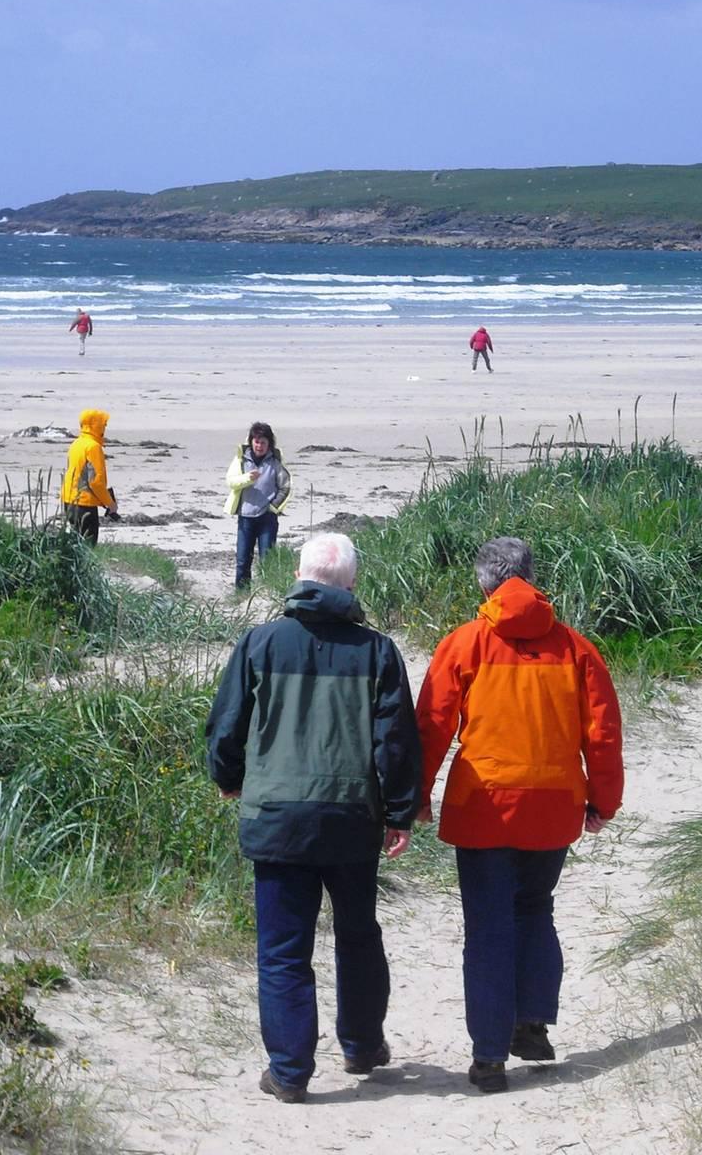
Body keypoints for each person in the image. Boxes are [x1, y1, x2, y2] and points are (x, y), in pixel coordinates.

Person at [205, 533, 422, 1104]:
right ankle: (361, 1045)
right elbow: (395, 742)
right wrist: (400, 811)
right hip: (352, 820)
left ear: (300, 578)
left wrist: (228, 778)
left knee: (283, 950)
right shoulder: (376, 651)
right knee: (358, 935)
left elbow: (226, 725)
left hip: (278, 818)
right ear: (350, 586)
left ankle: (290, 1071)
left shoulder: (260, 643)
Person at [415, 537, 624, 1094]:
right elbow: (602, 735)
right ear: (533, 581)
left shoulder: (464, 643)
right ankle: (530, 1026)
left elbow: (432, 727)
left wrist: (413, 796)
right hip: (553, 806)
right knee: (535, 909)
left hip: (484, 807)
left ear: (484, 585)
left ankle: (489, 1059)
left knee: (488, 929)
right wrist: (604, 800)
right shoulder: (577, 649)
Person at [225, 422, 294, 590]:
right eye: (256, 441)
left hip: (267, 518)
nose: (259, 446)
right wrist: (248, 478)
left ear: (269, 444)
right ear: (251, 441)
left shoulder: (275, 462)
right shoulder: (241, 460)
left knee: (267, 559)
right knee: (242, 560)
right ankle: (241, 594)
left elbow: (285, 486)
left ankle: (267, 592)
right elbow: (231, 482)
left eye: (263, 442)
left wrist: (273, 507)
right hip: (246, 517)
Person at [61, 408, 119, 542]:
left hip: (69, 500)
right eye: (103, 424)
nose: (105, 427)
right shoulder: (93, 447)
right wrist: (110, 503)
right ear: (95, 425)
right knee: (88, 547)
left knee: (76, 545)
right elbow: (95, 482)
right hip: (84, 504)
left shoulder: (76, 443)